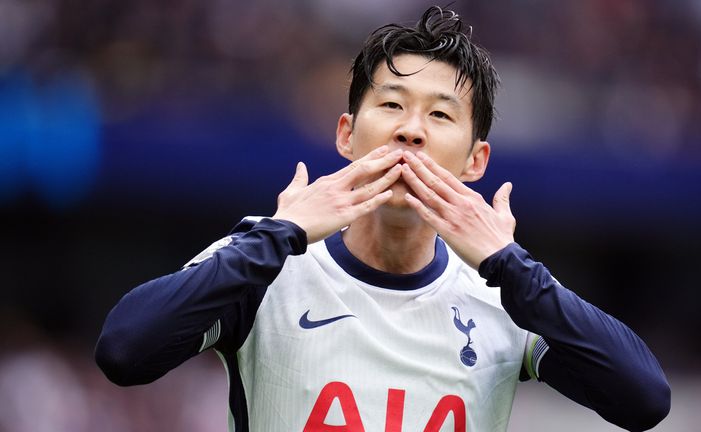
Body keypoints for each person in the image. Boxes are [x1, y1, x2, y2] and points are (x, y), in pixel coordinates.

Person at [95, 6, 670, 432]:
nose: (411, 130)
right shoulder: (267, 261)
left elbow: (645, 399)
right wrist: (280, 233)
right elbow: (124, 352)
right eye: (391, 104)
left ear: (477, 161)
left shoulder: (505, 294)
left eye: (440, 114)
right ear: (347, 134)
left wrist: (513, 266)